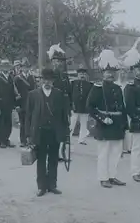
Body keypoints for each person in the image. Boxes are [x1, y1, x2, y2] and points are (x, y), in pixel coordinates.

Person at [25, 68, 69, 196]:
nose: (47, 82)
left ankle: (52, 185)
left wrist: (65, 133)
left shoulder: (59, 94)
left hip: (55, 132)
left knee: (54, 159)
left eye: (49, 80)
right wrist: (28, 134)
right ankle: (41, 187)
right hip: (40, 132)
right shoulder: (33, 94)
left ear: (53, 81)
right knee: (41, 159)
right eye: (44, 79)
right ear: (40, 80)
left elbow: (63, 115)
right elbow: (27, 116)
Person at [86, 52, 128, 188]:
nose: (110, 74)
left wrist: (124, 125)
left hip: (116, 125)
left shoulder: (118, 88)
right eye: (108, 72)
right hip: (104, 125)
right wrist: (102, 118)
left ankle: (112, 176)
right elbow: (90, 107)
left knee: (116, 153)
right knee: (104, 153)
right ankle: (103, 177)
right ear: (103, 73)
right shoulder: (97, 88)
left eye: (112, 72)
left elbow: (122, 108)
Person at [0, 59, 18, 148]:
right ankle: (1, 141)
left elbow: (12, 92)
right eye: (4, 66)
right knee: (1, 124)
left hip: (9, 104)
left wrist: (14, 104)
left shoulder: (10, 78)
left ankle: (7, 139)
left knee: (8, 124)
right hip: (0, 104)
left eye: (7, 66)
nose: (6, 68)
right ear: (1, 68)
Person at [14, 60, 36, 147]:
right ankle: (23, 140)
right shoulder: (17, 78)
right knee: (22, 123)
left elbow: (34, 90)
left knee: (30, 122)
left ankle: (29, 139)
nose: (26, 69)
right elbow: (15, 92)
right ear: (21, 68)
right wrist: (17, 105)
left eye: (27, 67)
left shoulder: (32, 78)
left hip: (30, 103)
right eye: (24, 67)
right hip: (21, 103)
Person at [70, 65, 93, 145]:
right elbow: (70, 94)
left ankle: (82, 139)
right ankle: (68, 138)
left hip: (84, 107)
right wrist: (70, 104)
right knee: (72, 123)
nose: (82, 75)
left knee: (84, 124)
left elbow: (91, 96)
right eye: (80, 74)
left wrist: (89, 106)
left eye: (83, 74)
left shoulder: (90, 85)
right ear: (78, 75)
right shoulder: (73, 83)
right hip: (75, 106)